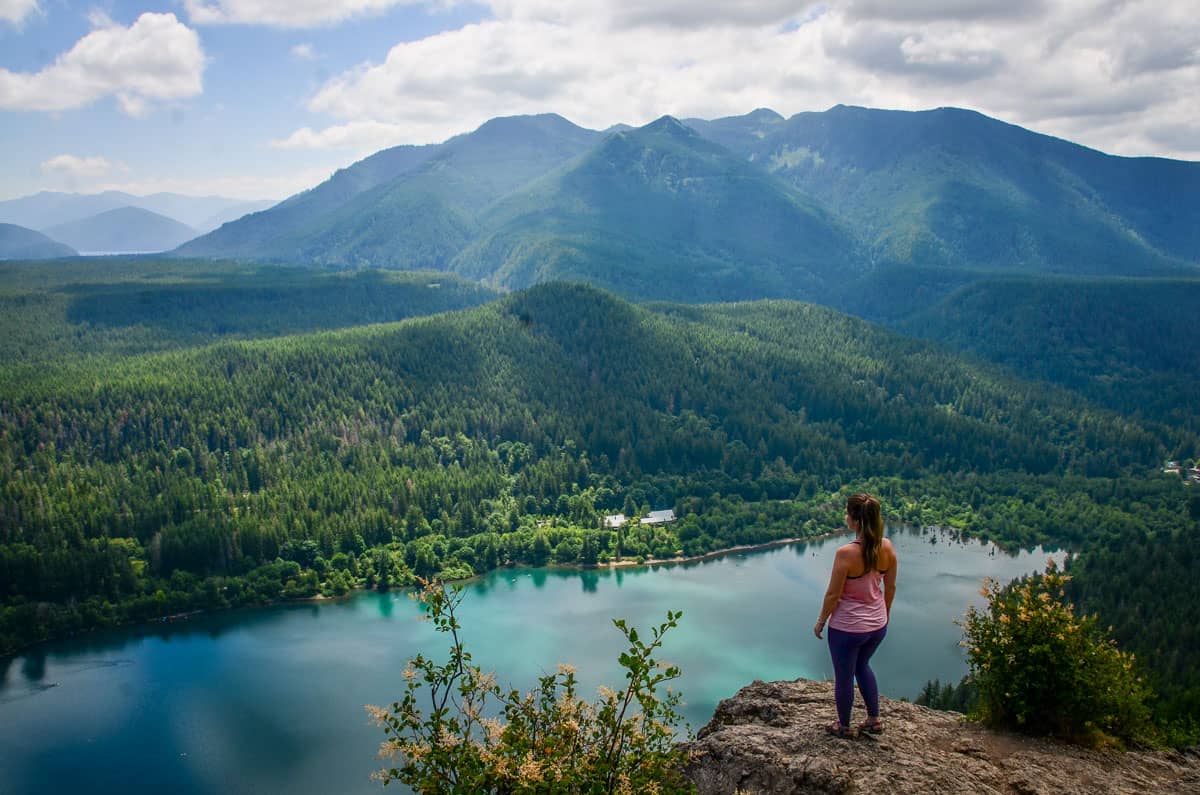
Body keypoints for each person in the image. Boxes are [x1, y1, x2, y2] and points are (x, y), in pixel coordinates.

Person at [813, 493, 898, 738]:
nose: (845, 516)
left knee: (844, 676)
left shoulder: (846, 554)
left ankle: (844, 725)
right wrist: (885, 614)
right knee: (862, 665)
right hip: (877, 625)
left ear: (855, 520)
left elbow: (832, 594)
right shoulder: (887, 547)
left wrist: (821, 621)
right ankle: (874, 719)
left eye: (847, 512)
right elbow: (890, 588)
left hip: (848, 628)